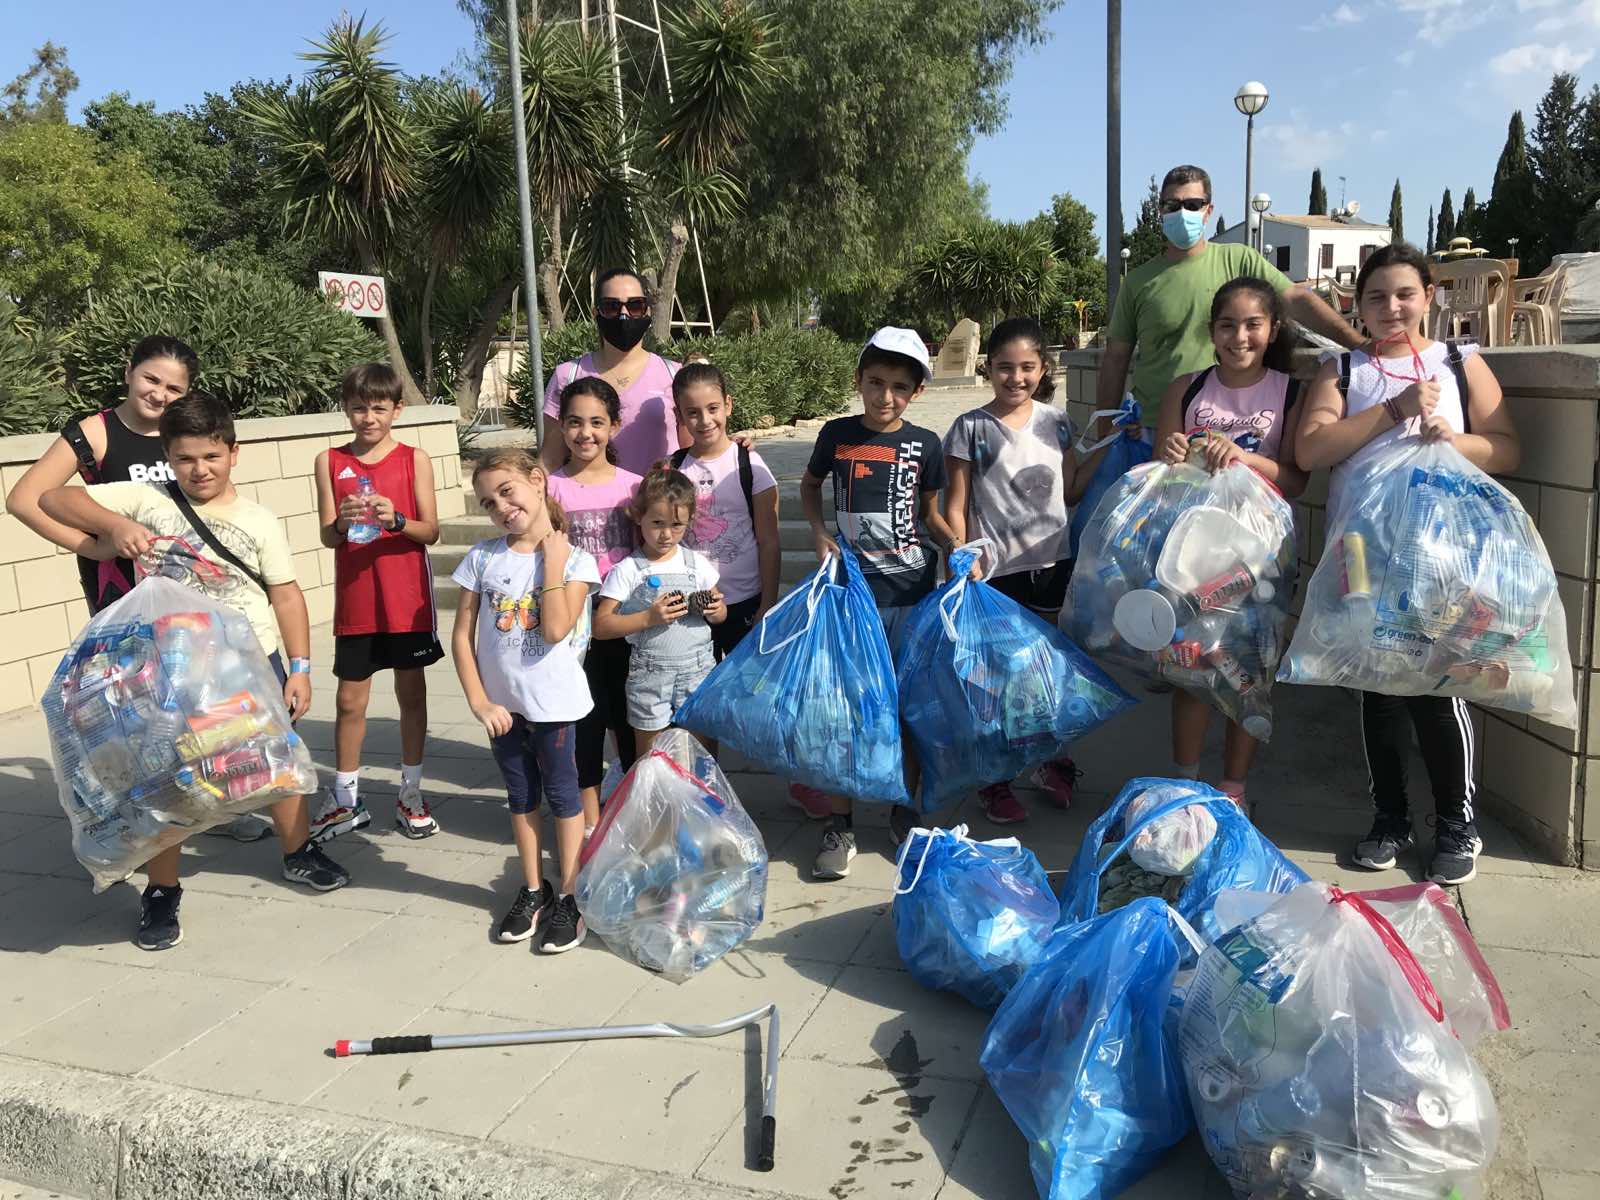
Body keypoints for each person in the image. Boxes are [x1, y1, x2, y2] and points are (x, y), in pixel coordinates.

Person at [39, 392, 351, 951]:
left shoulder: (257, 519)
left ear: (234, 452)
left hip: (250, 663)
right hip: (168, 671)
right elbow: (53, 496)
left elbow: (286, 594)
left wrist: (299, 667)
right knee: (165, 782)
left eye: (211, 456)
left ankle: (298, 850)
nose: (199, 470)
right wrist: (115, 526)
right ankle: (162, 893)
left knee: (274, 761)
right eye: (185, 459)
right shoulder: (148, 499)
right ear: (168, 457)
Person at [1295, 242, 1520, 886]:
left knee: (1438, 687)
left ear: (1428, 296)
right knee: (1377, 692)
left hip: (1443, 554)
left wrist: (1456, 439)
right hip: (1363, 554)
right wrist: (1391, 411)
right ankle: (1390, 817)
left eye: (1404, 294)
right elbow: (1311, 449)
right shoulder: (1343, 369)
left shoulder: (1457, 363)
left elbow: (1506, 448)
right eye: (1375, 297)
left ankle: (1457, 821)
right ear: (1357, 306)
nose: (1391, 308)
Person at [800, 327, 961, 877]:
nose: (885, 396)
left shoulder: (926, 445)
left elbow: (931, 515)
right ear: (858, 381)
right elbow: (809, 486)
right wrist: (821, 533)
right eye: (875, 382)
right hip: (851, 596)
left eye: (898, 386)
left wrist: (955, 548)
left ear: (915, 392)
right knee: (842, 709)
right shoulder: (836, 435)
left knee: (907, 708)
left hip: (912, 595)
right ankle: (840, 822)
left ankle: (905, 811)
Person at [1154, 278, 1309, 813]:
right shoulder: (1187, 388)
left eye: (1252, 324)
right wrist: (1177, 451)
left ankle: (1233, 790)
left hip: (1261, 552)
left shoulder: (1290, 391)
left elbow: (1294, 479)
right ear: (1211, 331)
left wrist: (1242, 457)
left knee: (1250, 670)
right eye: (1227, 325)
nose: (1239, 336)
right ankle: (1185, 781)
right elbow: (1160, 473)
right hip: (1193, 549)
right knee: (1191, 666)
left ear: (1272, 331)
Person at [451, 450, 599, 952]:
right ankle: (535, 889)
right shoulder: (483, 558)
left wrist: (552, 562)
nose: (500, 507)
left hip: (554, 706)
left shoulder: (576, 560)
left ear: (537, 481)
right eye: (489, 502)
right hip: (503, 709)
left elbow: (557, 628)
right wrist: (479, 701)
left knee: (563, 796)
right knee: (519, 797)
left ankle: (572, 895)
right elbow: (461, 636)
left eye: (507, 491)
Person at [942, 316, 1088, 823]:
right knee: (995, 677)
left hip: (1052, 564)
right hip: (993, 574)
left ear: (1043, 369)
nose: (1016, 378)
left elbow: (1069, 490)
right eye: (1005, 368)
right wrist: (961, 556)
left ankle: (1047, 761)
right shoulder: (970, 428)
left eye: (1027, 367)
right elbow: (956, 503)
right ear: (988, 370)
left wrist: (1116, 441)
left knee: (1042, 674)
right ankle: (995, 777)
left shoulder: (1057, 422)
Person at [1098, 164, 1362, 435]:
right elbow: (1116, 359)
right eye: (1172, 205)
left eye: (1192, 204)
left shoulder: (1239, 260)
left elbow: (1296, 300)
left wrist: (1359, 345)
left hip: (1228, 426)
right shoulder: (1137, 281)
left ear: (1208, 211)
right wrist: (1104, 432)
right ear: (1160, 211)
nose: (1182, 213)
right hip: (1150, 431)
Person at [309, 363, 444, 845]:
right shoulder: (329, 460)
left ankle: (410, 792)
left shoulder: (415, 458)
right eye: (359, 407)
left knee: (412, 695)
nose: (368, 417)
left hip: (406, 600)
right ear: (346, 409)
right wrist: (344, 524)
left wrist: (397, 518)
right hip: (357, 601)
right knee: (349, 700)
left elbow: (432, 530)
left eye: (378, 408)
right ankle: (345, 798)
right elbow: (328, 536)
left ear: (397, 410)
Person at [9, 335, 197, 614]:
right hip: (121, 593)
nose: (159, 395)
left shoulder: (190, 433)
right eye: (151, 379)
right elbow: (22, 501)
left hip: (191, 582)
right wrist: (92, 547)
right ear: (128, 372)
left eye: (173, 388)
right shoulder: (94, 432)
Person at [546, 377, 643, 833]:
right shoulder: (549, 489)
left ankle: (632, 807)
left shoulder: (635, 488)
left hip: (626, 625)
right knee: (584, 721)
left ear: (615, 426)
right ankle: (588, 821)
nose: (586, 433)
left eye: (597, 422)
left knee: (628, 718)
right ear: (561, 427)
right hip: (573, 632)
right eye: (575, 422)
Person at [593, 468, 727, 756]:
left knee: (702, 752)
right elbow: (601, 626)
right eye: (657, 523)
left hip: (697, 671)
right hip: (650, 676)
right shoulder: (628, 570)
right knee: (652, 756)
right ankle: (656, 800)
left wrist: (715, 610)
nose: (666, 534)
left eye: (677, 525)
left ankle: (702, 799)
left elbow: (720, 614)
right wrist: (647, 618)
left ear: (690, 521)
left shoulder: (697, 565)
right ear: (638, 516)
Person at [668, 362, 781, 659]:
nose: (705, 420)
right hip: (690, 604)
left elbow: (769, 542)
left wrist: (767, 603)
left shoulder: (751, 465)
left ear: (728, 405)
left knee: (743, 693)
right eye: (692, 412)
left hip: (746, 600)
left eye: (713, 408)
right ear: (678, 416)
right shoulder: (671, 469)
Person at [540, 267, 686, 477]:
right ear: (595, 312)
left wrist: (737, 449)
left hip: (658, 506)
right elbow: (551, 457)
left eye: (635, 305)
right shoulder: (567, 376)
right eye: (612, 307)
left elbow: (694, 454)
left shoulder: (673, 375)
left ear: (647, 310)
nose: (624, 315)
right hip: (592, 506)